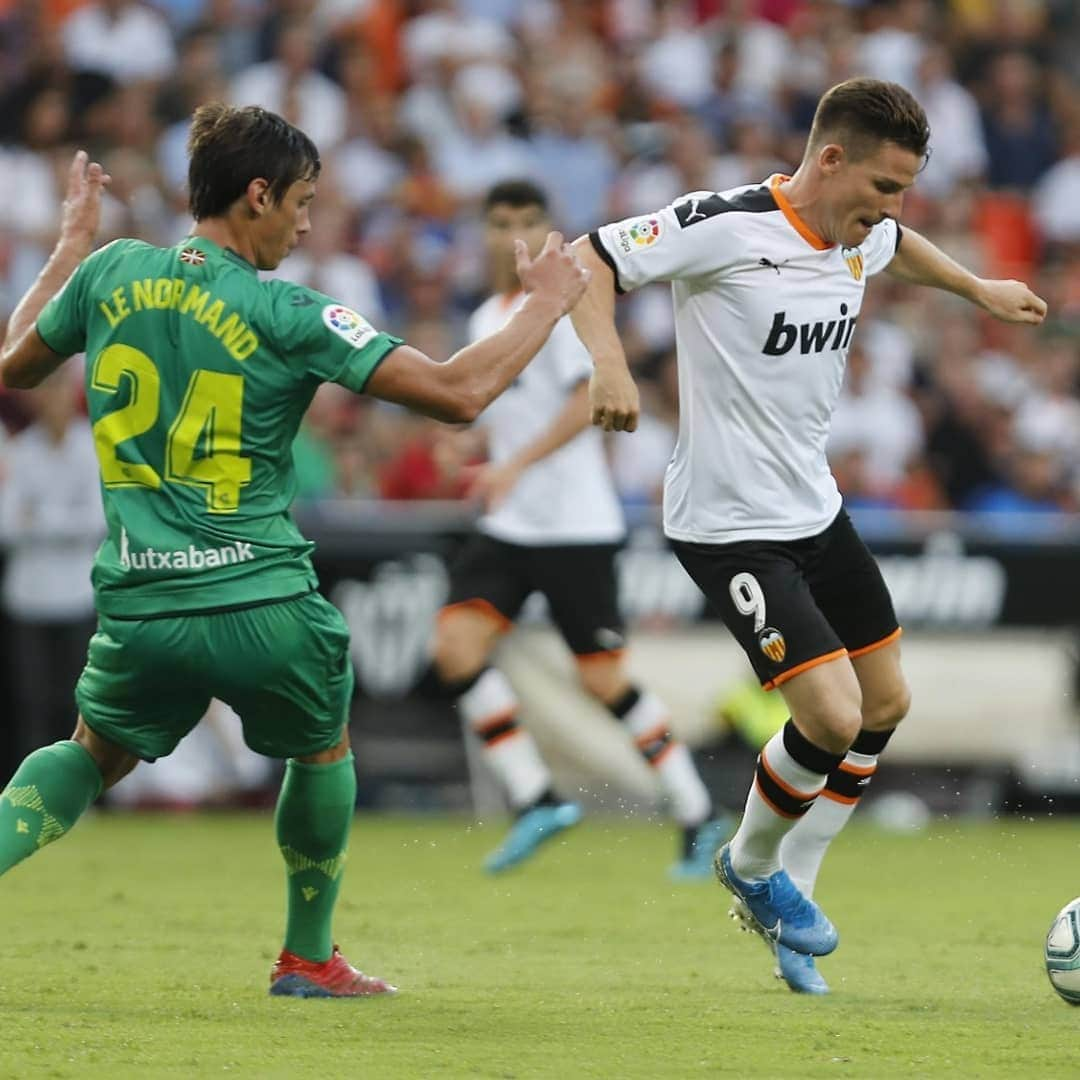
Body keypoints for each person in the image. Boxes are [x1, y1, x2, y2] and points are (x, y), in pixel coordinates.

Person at [0, 103, 589, 999]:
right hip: (260, 602)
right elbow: (459, 391)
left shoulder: (111, 270)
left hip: (140, 600)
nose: (308, 223)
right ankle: (308, 957)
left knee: (91, 752)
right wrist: (547, 302)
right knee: (321, 749)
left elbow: (14, 364)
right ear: (258, 194)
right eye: (302, 202)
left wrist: (74, 241)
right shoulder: (288, 309)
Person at [568, 78, 1046, 995]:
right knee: (827, 716)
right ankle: (749, 867)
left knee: (885, 704)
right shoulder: (725, 225)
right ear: (830, 161)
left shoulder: (860, 236)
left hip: (814, 511)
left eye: (903, 189)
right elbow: (590, 260)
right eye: (884, 187)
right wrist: (609, 365)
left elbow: (900, 249)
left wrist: (977, 288)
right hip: (726, 525)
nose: (892, 210)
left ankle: (797, 895)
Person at [423, 180, 728, 878]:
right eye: (500, 223)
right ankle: (536, 798)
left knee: (603, 681)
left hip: (574, 525)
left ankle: (695, 810)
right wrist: (471, 453)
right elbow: (508, 415)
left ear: (548, 228)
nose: (512, 235)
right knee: (455, 647)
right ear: (485, 232)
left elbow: (582, 405)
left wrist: (514, 467)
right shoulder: (485, 318)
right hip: (511, 524)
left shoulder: (556, 311)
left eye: (527, 220)